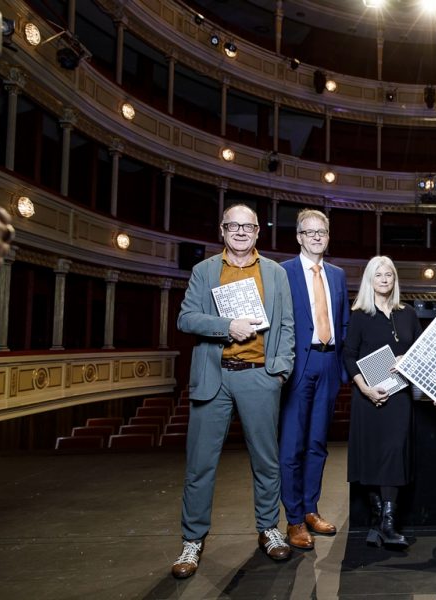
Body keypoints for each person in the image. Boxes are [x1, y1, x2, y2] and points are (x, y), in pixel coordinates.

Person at [172, 204, 295, 579]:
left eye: (248, 226)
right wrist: (228, 326)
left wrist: (281, 371)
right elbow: (186, 318)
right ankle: (192, 541)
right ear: (222, 230)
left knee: (266, 461)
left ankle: (269, 529)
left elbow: (287, 325)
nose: (240, 232)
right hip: (215, 376)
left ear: (258, 231)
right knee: (200, 464)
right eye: (233, 226)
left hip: (260, 376)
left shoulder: (275, 272)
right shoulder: (204, 270)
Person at [279, 208, 349, 550]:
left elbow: (344, 323)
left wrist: (343, 370)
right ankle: (293, 520)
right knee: (292, 446)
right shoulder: (283, 272)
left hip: (329, 366)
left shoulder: (337, 274)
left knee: (318, 444)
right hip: (298, 366)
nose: (317, 236)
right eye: (310, 232)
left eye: (322, 231)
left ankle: (310, 509)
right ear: (299, 237)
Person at [343, 256, 422, 548]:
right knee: (370, 457)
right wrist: (365, 389)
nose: (385, 279)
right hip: (368, 397)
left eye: (389, 274)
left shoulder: (408, 313)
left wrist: (408, 359)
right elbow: (348, 355)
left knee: (393, 454)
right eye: (379, 275)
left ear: (395, 279)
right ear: (370, 280)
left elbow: (422, 351)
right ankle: (378, 519)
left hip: (399, 398)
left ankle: (388, 523)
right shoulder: (360, 314)